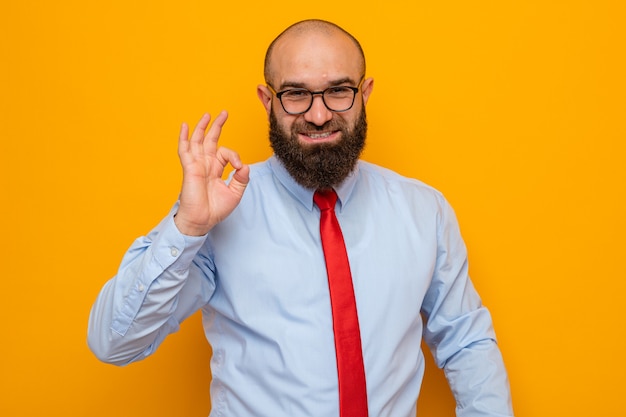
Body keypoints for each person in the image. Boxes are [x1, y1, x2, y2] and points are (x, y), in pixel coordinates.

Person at [88, 19, 514, 417]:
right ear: (267, 100)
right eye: (295, 94)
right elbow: (114, 342)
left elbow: (466, 341)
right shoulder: (218, 211)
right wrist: (188, 227)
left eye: (338, 91)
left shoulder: (424, 210)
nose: (318, 114)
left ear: (364, 94)